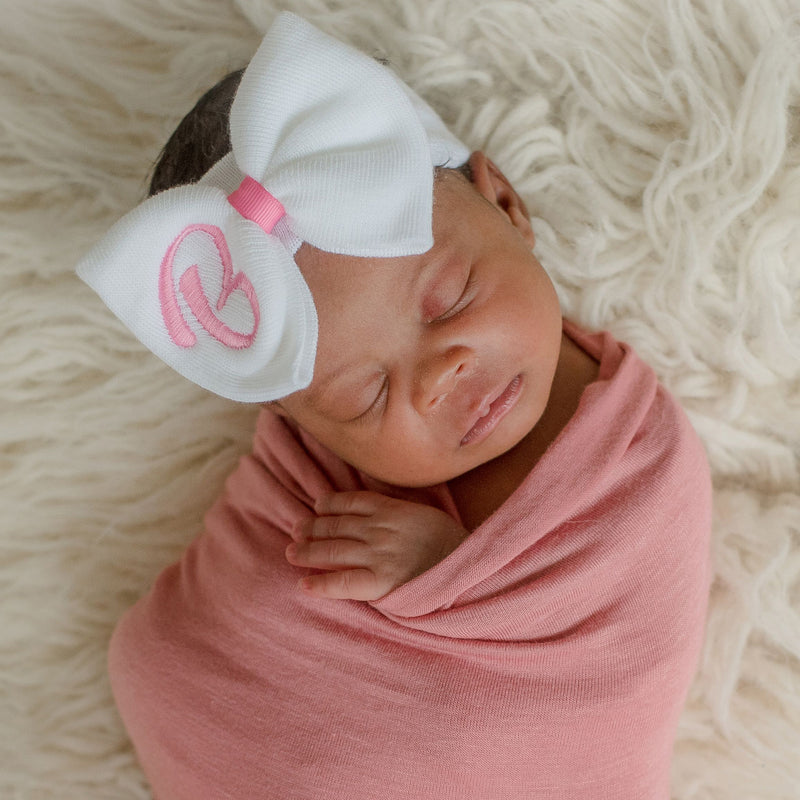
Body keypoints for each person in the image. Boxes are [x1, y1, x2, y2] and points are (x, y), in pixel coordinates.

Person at [78, 12, 712, 799]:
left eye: (449, 301)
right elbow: (220, 651)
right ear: (293, 424)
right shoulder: (312, 470)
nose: (437, 377)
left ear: (508, 206)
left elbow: (620, 657)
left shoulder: (634, 454)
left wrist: (442, 573)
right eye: (366, 394)